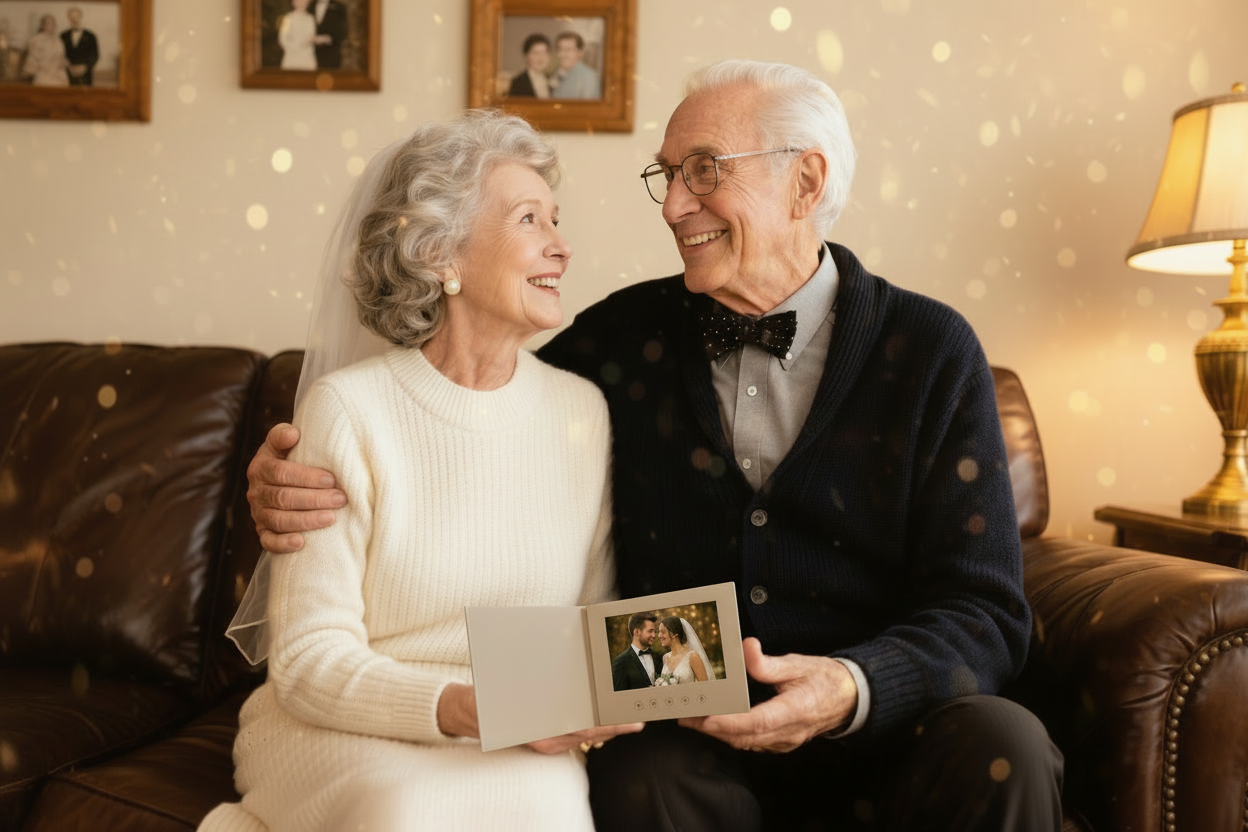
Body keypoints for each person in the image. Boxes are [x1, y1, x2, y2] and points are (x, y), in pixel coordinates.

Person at [243, 60, 1064, 831]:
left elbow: (987, 611)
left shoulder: (928, 350)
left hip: (883, 728)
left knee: (1009, 748)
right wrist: (292, 477)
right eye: (668, 176)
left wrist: (850, 686)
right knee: (641, 780)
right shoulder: (611, 348)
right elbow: (467, 402)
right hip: (691, 737)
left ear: (805, 182)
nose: (673, 205)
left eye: (704, 169)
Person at [199, 110, 640, 832]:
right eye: (531, 219)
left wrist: (631, 687)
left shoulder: (581, 411)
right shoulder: (349, 409)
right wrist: (465, 706)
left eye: (556, 221)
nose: (562, 246)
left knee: (551, 812)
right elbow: (309, 663)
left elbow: (590, 625)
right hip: (343, 724)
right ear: (441, 253)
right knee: (412, 812)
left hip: (518, 728)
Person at [656, 616, 710, 684]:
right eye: (659, 632)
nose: (659, 635)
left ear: (674, 634)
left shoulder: (692, 656)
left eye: (663, 632)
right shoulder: (665, 658)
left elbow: (706, 686)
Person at [611, 612, 657, 691]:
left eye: (654, 631)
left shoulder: (660, 657)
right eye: (650, 631)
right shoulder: (620, 662)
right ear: (636, 632)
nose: (654, 635)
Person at [550, 31, 599, 99]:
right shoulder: (555, 74)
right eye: (560, 49)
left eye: (568, 50)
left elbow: (587, 107)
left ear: (580, 52)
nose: (563, 54)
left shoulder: (588, 77)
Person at [22, 14, 68, 87]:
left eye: (53, 23)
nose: (51, 26)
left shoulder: (58, 41)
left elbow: (61, 58)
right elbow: (32, 59)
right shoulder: (36, 39)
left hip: (58, 74)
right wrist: (46, 69)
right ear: (43, 25)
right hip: (43, 73)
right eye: (48, 23)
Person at [60, 7, 98, 86]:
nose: (74, 20)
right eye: (72, 18)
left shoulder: (90, 36)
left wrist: (84, 67)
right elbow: (59, 54)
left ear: (81, 17)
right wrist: (69, 67)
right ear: (68, 18)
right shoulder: (63, 36)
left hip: (85, 77)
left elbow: (95, 55)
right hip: (67, 75)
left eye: (76, 17)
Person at [507, 33, 551, 98]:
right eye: (536, 53)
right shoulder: (518, 82)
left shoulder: (552, 79)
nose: (541, 58)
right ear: (527, 56)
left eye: (544, 53)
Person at [278, 0, 316, 71]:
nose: (300, 3)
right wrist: (294, 48)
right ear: (293, 2)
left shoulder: (310, 19)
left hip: (307, 57)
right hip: (291, 56)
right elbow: (282, 38)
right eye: (297, 1)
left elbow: (311, 36)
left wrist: (306, 43)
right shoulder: (288, 18)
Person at [311, 0, 347, 70]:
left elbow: (343, 33)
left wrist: (327, 39)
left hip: (331, 54)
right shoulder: (310, 6)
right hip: (310, 55)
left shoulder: (339, 8)